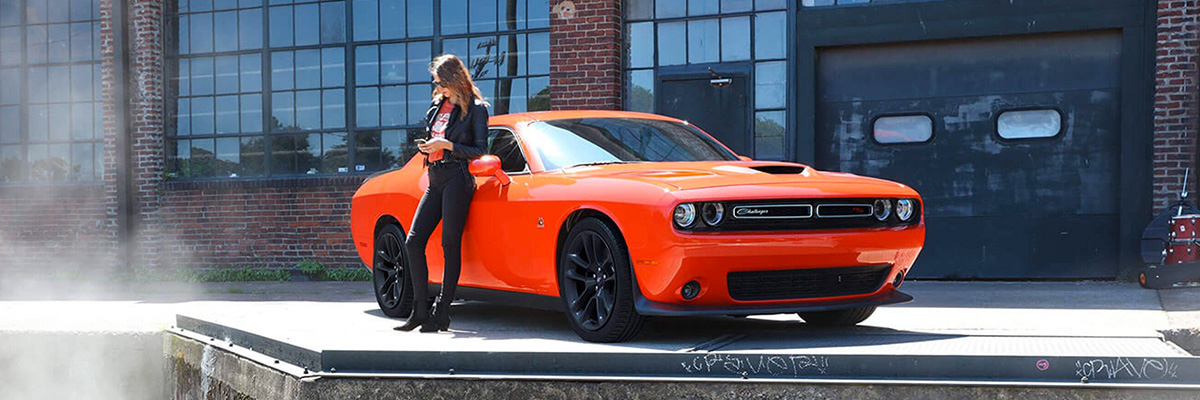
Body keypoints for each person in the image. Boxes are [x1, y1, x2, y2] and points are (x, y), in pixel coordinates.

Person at [394, 54, 489, 333]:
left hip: (458, 178)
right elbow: (436, 139)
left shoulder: (476, 109)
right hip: (435, 177)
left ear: (454, 79)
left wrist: (446, 144)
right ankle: (419, 311)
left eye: (441, 82)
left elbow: (480, 150)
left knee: (450, 246)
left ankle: (442, 313)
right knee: (413, 242)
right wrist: (429, 147)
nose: (439, 87)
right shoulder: (437, 106)